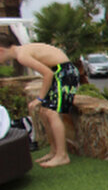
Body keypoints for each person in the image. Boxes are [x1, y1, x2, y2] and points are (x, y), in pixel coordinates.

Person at [0, 38, 80, 167]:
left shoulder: (22, 56)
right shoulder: (22, 51)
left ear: (1, 50)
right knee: (43, 112)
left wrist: (39, 99)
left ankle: (62, 155)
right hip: (59, 73)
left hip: (64, 73)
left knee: (52, 113)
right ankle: (54, 151)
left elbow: (48, 74)